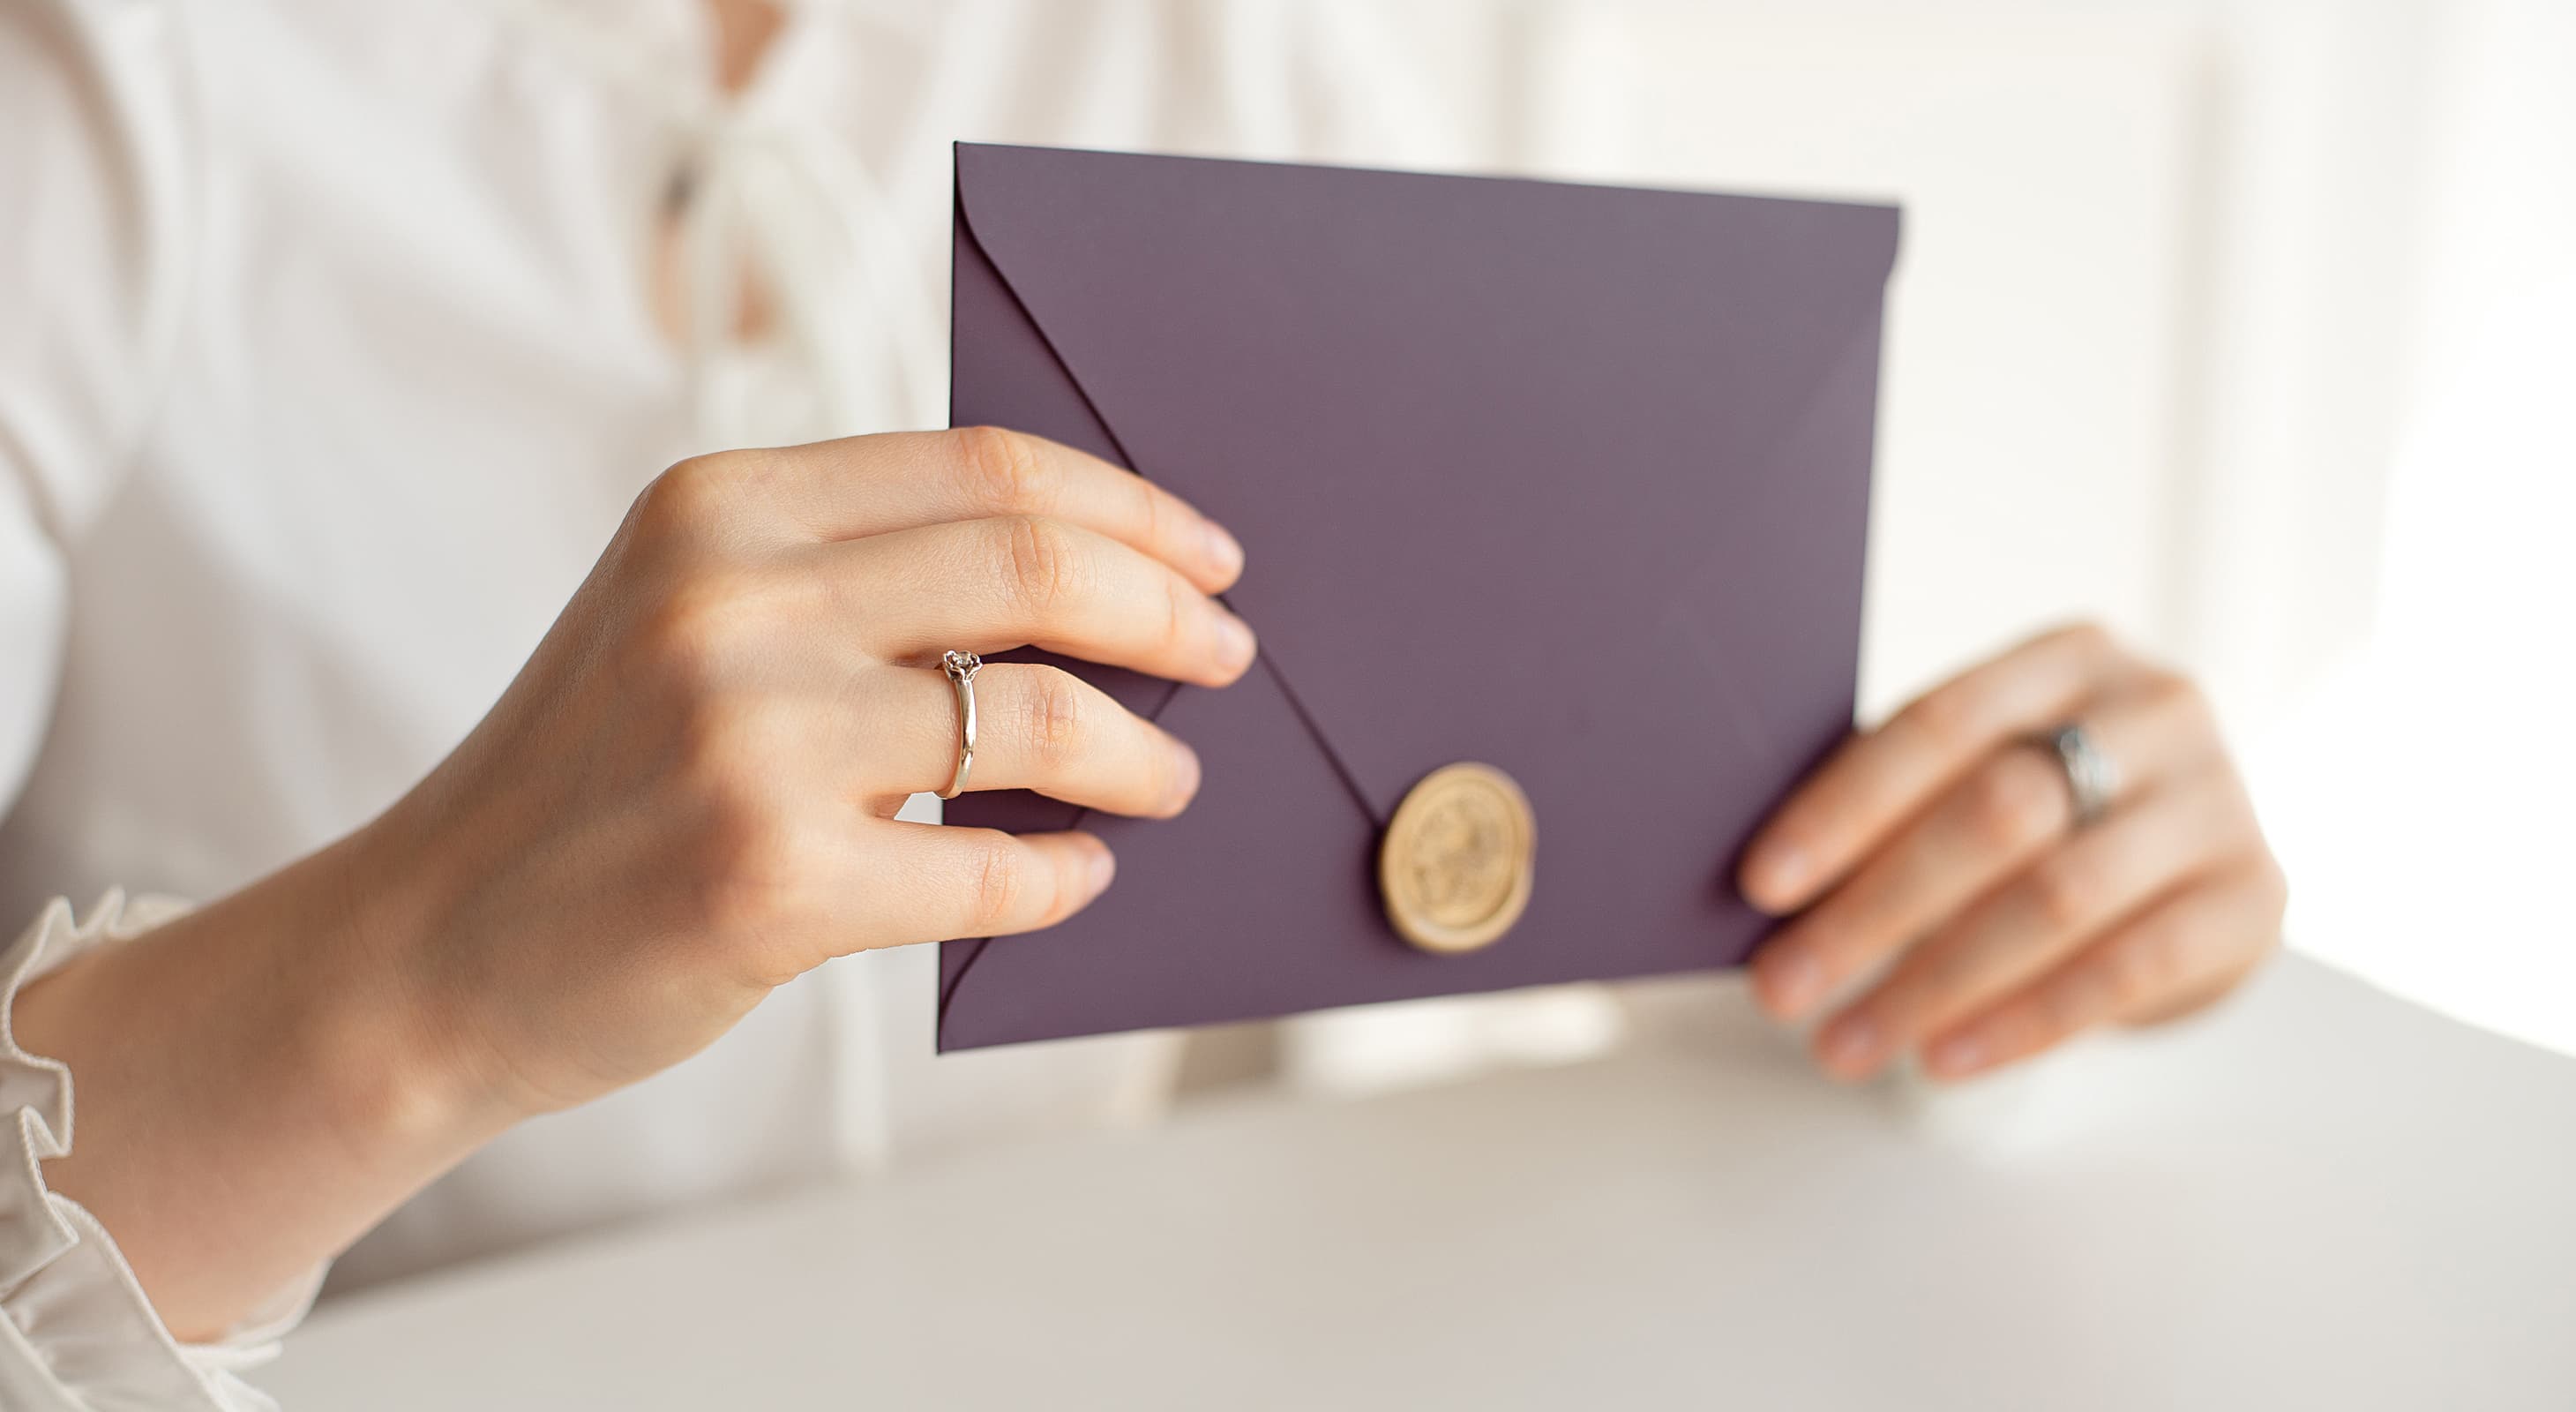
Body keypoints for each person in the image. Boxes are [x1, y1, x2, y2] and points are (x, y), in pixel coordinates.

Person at [0, 1, 2287, 1405]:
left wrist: (1997, 877)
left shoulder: (1240, 38)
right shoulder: (110, 69)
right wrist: (420, 974)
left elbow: (1505, 788)